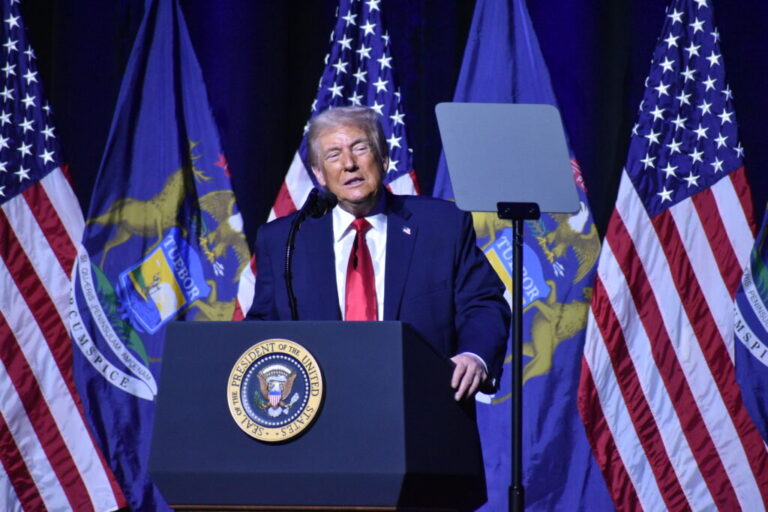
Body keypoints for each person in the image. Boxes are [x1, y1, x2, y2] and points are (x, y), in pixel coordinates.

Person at [247, 106, 509, 400]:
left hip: (423, 404)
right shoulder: (284, 240)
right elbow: (262, 327)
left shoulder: (442, 226)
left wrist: (474, 356)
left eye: (360, 148)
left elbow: (483, 303)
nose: (349, 164)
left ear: (383, 158)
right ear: (319, 174)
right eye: (333, 155)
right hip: (321, 413)